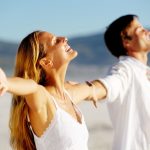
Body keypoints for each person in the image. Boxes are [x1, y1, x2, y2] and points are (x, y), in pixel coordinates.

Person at [0, 31, 98, 150]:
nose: (64, 38)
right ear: (46, 62)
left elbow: (90, 89)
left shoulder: (68, 94)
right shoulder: (44, 99)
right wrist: (6, 83)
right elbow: (31, 87)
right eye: (55, 41)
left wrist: (93, 90)